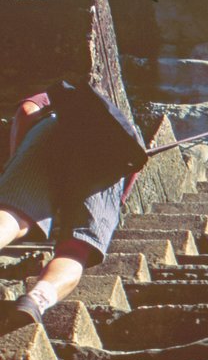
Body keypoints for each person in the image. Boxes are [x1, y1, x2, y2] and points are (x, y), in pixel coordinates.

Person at [0, 86, 135, 331]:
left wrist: (16, 160)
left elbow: (26, 110)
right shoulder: (127, 132)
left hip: (51, 132)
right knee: (76, 249)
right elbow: (129, 178)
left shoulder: (64, 98)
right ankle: (36, 299)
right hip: (112, 155)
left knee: (15, 213)